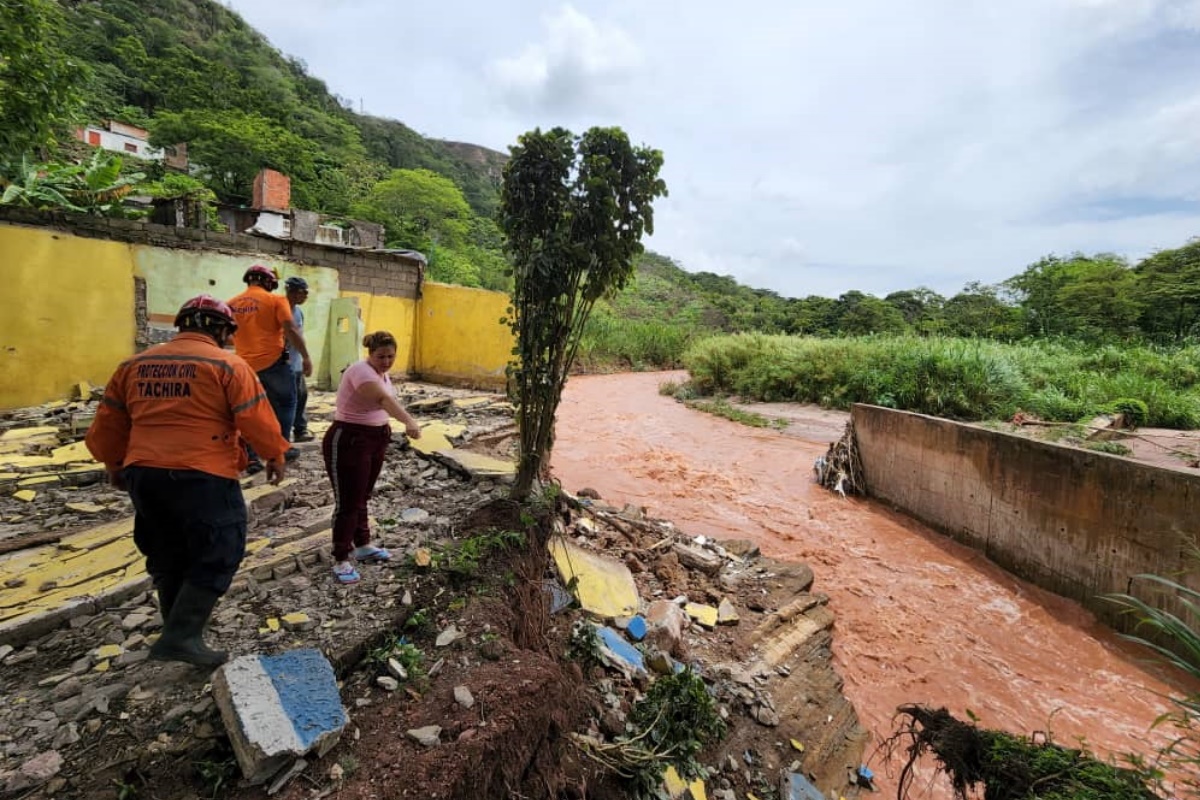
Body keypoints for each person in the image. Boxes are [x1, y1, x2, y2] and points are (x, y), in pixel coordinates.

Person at [86, 295, 290, 667]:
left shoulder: (133, 365)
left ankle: (175, 630)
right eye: (229, 333)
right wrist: (274, 454)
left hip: (144, 474)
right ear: (219, 330)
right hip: (203, 473)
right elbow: (255, 419)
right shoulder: (228, 366)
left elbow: (110, 423)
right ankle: (181, 636)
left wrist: (114, 464)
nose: (230, 340)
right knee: (222, 547)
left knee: (167, 549)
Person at [323, 331, 421, 584]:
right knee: (347, 500)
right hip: (350, 439)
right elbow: (382, 399)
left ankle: (363, 544)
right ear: (370, 354)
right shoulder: (361, 372)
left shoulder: (381, 373)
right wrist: (409, 421)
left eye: (390, 356)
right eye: (381, 356)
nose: (386, 361)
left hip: (376, 437)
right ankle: (341, 557)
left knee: (362, 494)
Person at [228, 264, 311, 471]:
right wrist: (306, 357)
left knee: (249, 411)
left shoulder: (230, 304)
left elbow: (226, 335)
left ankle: (252, 458)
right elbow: (290, 329)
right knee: (286, 405)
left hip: (244, 367)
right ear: (268, 282)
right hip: (274, 365)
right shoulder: (276, 300)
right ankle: (280, 449)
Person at [284, 276, 313, 442]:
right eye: (304, 292)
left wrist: (302, 358)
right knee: (289, 400)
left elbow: (299, 337)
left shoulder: (298, 312)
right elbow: (283, 340)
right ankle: (285, 434)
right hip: (286, 364)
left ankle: (300, 430)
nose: (306, 296)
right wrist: (286, 360)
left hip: (296, 364)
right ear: (293, 292)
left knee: (301, 395)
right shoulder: (282, 310)